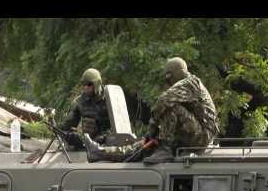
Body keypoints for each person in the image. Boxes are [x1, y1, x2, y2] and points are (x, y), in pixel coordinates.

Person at [84, 57, 219, 163]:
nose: (168, 81)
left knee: (171, 106)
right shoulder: (185, 86)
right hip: (192, 134)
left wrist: (153, 127)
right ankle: (99, 152)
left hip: (202, 136)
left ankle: (165, 149)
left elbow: (164, 100)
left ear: (179, 73)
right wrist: (153, 136)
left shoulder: (191, 83)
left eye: (169, 76)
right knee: (142, 147)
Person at [59, 68, 111, 148]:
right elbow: (69, 123)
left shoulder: (110, 99)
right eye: (84, 84)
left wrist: (104, 137)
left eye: (89, 84)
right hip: (87, 144)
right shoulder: (81, 102)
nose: (86, 87)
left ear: (97, 83)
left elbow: (119, 127)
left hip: (108, 145)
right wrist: (59, 129)